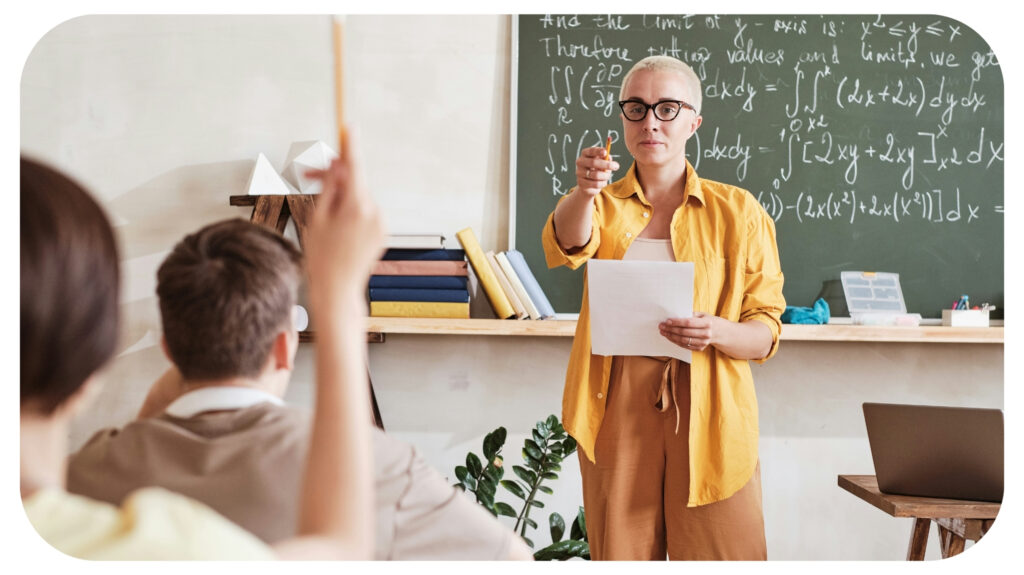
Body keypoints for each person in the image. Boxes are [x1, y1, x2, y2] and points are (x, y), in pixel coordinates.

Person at [65, 216, 530, 560]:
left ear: (168, 348)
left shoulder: (81, 474)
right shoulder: (376, 466)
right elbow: (513, 560)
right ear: (286, 346)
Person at [20, 128, 383, 559]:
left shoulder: (88, 472)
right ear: (92, 362)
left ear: (167, 346)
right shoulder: (167, 546)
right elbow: (341, 550)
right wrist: (340, 297)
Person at [541, 55, 786, 560]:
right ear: (623, 118)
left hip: (711, 405)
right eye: (636, 107)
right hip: (617, 406)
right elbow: (568, 242)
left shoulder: (739, 211)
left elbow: (765, 330)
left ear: (694, 121)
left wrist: (715, 331)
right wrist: (586, 190)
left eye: (667, 108)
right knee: (623, 554)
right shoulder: (600, 204)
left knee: (726, 553)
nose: (650, 120)